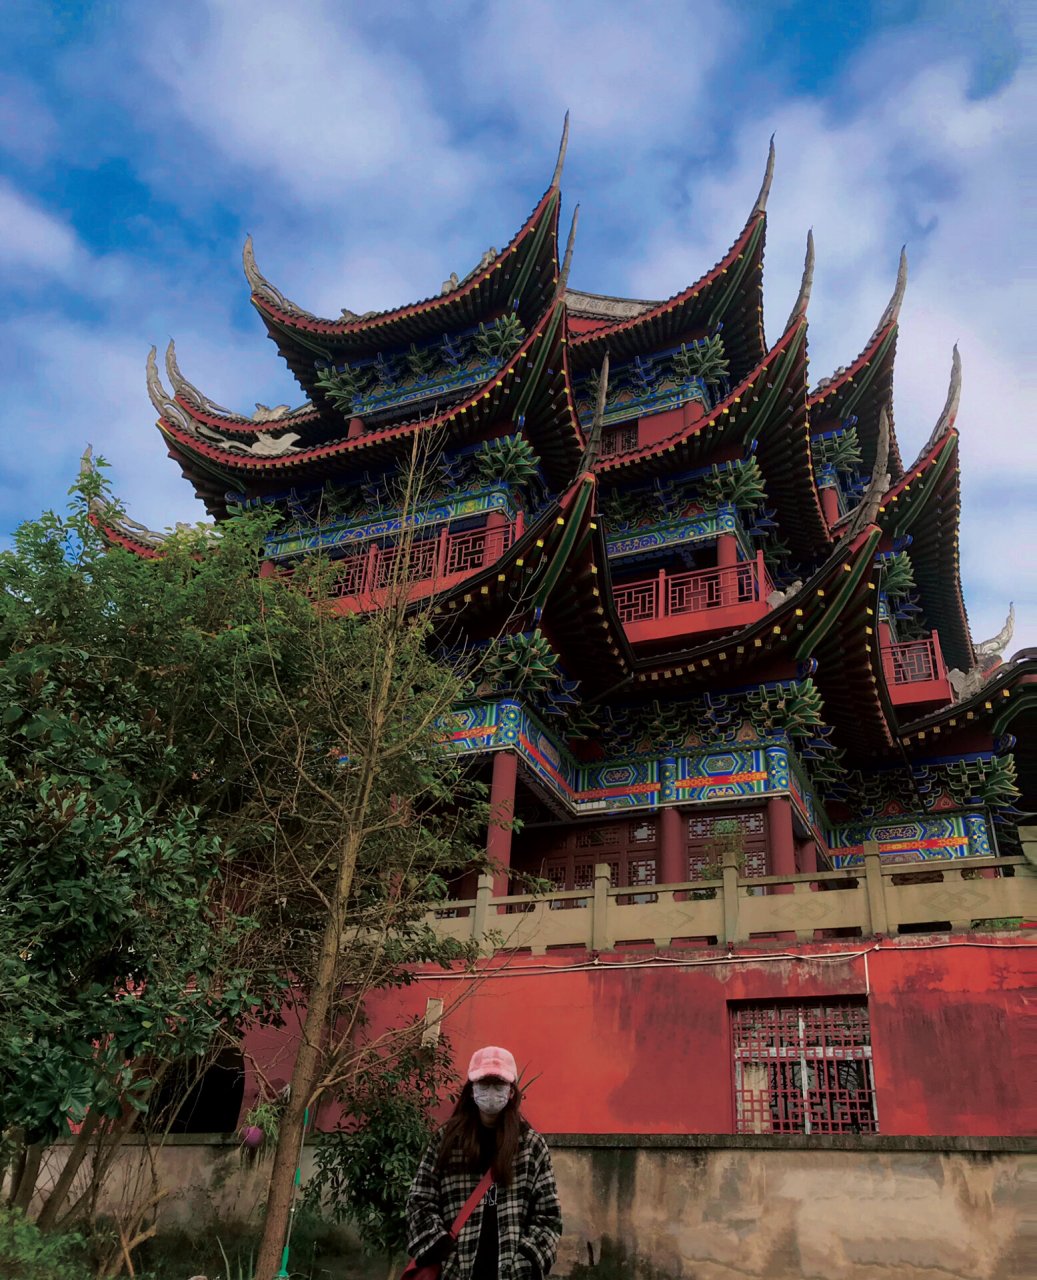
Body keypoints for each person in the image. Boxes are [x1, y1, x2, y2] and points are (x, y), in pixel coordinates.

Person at [406, 1045, 562, 1280]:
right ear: (471, 1090)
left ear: (511, 1091)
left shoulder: (530, 1145)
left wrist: (528, 1260)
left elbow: (548, 1215)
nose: (491, 1091)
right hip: (455, 1272)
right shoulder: (446, 1141)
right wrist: (440, 1248)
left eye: (498, 1084)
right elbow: (419, 1200)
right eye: (483, 1083)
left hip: (512, 1273)